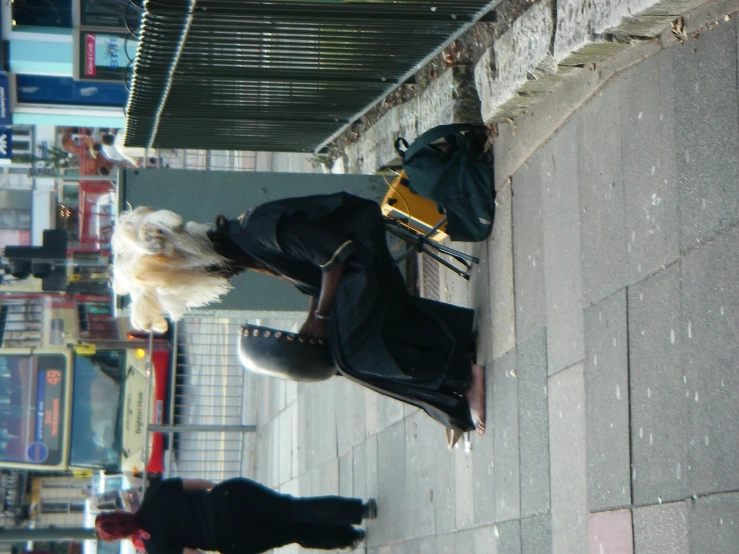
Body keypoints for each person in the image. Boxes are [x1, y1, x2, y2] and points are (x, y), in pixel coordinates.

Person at [111, 193, 486, 448]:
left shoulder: (259, 231)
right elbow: (317, 278)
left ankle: (462, 378)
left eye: (215, 275)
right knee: (342, 355)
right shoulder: (248, 248)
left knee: (350, 356)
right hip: (352, 264)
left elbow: (335, 256)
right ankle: (450, 392)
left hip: (359, 254)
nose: (225, 279)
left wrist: (321, 317)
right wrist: (316, 319)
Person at [95, 477, 376, 553]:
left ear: (122, 536)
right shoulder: (156, 494)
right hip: (229, 499)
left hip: (230, 538)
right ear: (119, 510)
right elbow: (201, 484)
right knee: (293, 508)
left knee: (291, 533)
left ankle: (350, 538)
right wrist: (223, 497)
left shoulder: (156, 547)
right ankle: (359, 510)